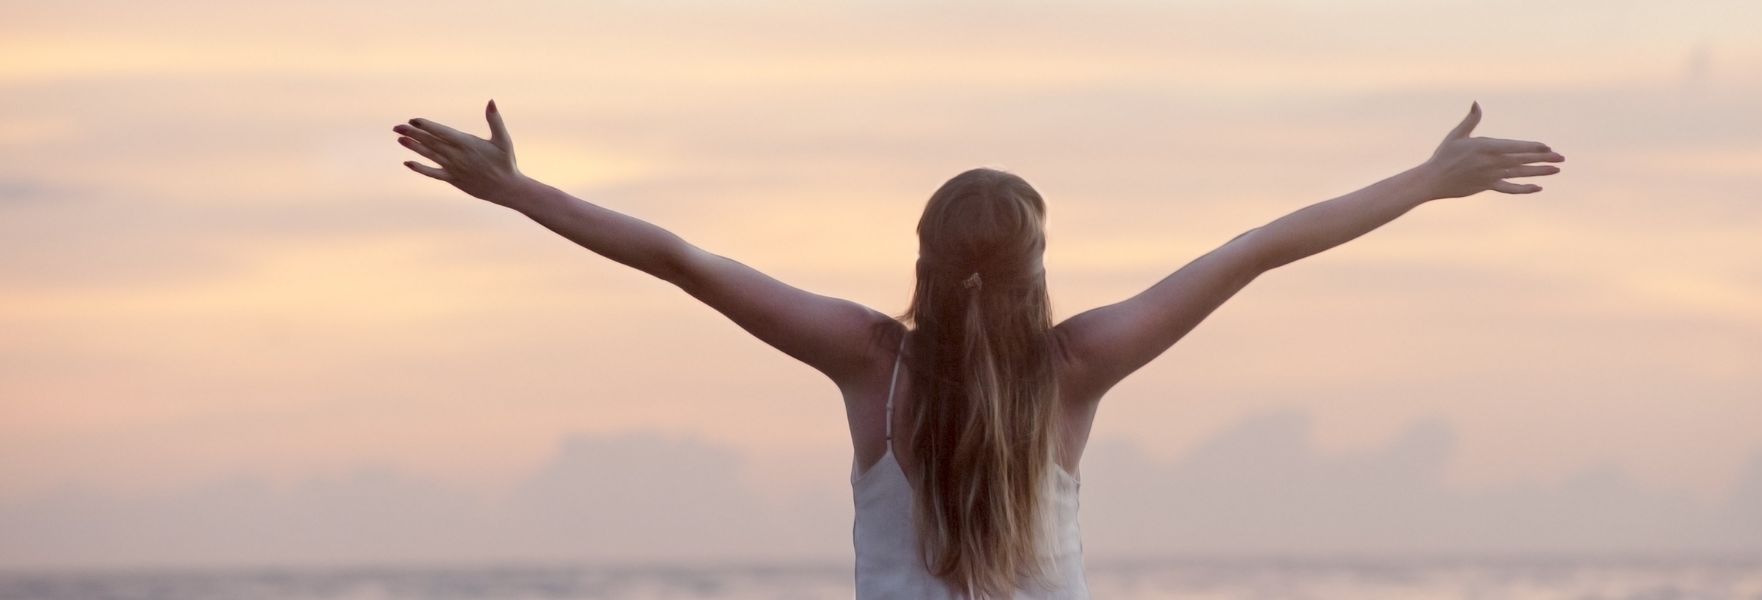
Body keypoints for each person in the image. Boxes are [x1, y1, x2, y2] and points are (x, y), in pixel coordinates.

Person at [392, 100, 1563, 598]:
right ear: (1038, 268)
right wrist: (1425, 181)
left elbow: (680, 258)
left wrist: (515, 191)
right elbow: (1259, 247)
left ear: (922, 251)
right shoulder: (1082, 362)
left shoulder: (867, 361)